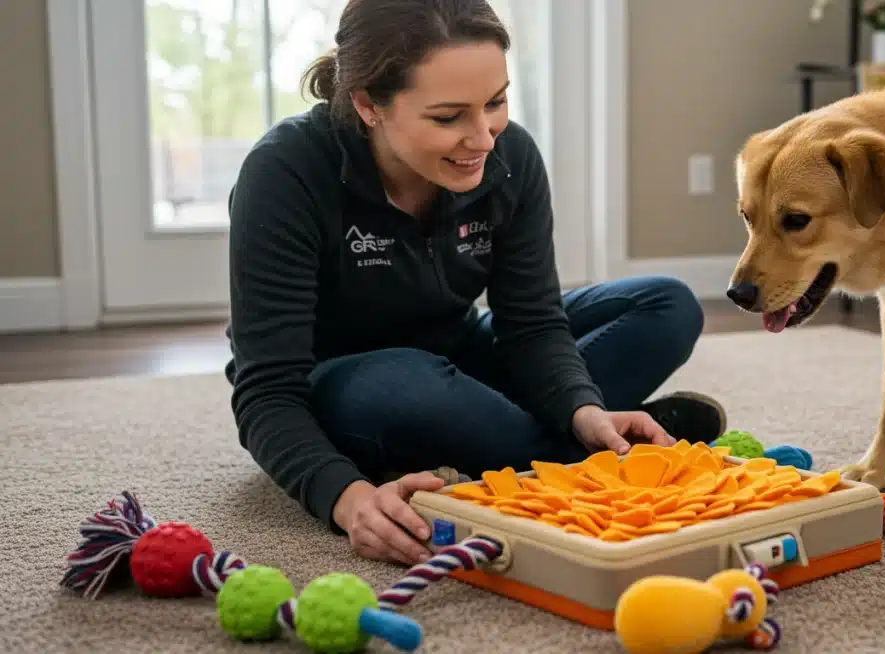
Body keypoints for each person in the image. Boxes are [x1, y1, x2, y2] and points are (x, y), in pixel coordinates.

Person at [224, 0, 726, 567]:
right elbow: (266, 391)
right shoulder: (284, 171)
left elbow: (532, 323)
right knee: (409, 386)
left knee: (666, 305)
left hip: (465, 355)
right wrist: (348, 499)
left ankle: (555, 439)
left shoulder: (512, 156)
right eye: (447, 117)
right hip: (351, 387)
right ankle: (576, 453)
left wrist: (583, 407)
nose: (484, 138)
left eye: (496, 102)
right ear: (368, 105)